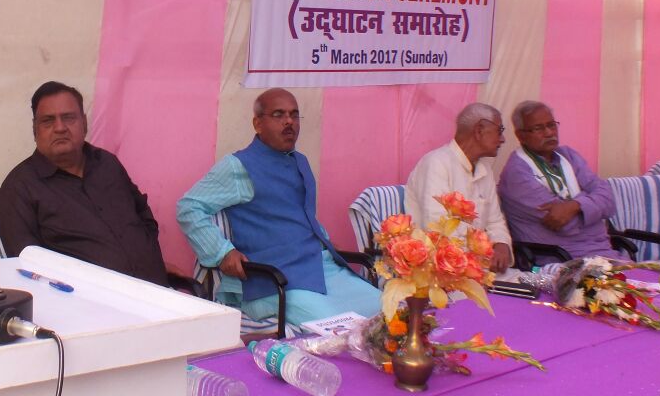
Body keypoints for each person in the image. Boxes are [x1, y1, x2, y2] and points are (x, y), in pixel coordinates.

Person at [177, 88, 380, 326]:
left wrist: (321, 240)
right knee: (342, 328)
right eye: (278, 115)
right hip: (276, 281)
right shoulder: (238, 166)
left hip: (320, 268)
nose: (288, 122)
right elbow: (188, 207)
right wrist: (222, 253)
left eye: (294, 115)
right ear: (258, 123)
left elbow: (298, 213)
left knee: (391, 313)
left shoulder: (299, 161)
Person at [0, 81, 168, 285]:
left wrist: (147, 254)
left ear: (84, 123)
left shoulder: (107, 163)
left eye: (68, 118)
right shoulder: (19, 189)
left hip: (158, 292)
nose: (60, 128)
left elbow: (143, 215)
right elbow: (28, 270)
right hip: (90, 309)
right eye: (48, 121)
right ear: (35, 130)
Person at [497, 100, 616, 260]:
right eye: (538, 128)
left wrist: (574, 205)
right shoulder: (517, 173)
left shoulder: (568, 155)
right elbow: (565, 224)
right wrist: (593, 210)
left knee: (652, 281)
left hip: (603, 252)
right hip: (561, 259)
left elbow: (609, 200)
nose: (549, 133)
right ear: (521, 136)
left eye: (551, 125)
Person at [404, 103, 513, 272]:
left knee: (537, 288)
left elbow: (495, 221)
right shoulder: (437, 163)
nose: (503, 139)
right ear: (479, 130)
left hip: (478, 269)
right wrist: (478, 260)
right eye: (500, 130)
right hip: (439, 272)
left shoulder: (485, 169)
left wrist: (501, 244)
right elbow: (437, 229)